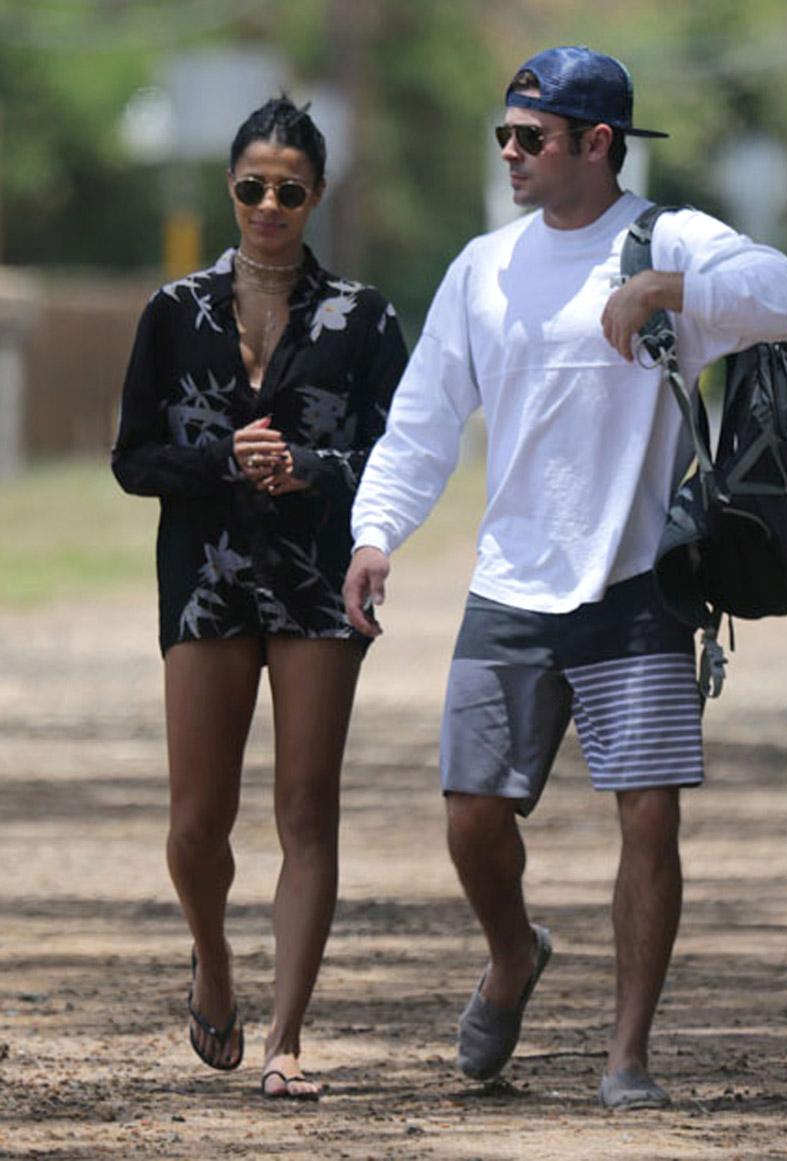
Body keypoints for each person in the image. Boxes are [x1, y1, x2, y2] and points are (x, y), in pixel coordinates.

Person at [343, 46, 787, 1108]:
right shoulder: (484, 267)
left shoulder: (667, 240)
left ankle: (625, 1055)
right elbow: (423, 421)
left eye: (531, 137)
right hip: (511, 583)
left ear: (596, 145)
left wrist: (669, 287)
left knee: (646, 816)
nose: (510, 153)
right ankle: (512, 956)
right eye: (503, 136)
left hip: (638, 580)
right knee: (470, 813)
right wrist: (376, 531)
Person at [112, 96, 407, 1100]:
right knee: (198, 820)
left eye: (288, 189)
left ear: (316, 194)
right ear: (230, 189)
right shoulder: (172, 311)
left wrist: (313, 467)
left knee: (304, 810)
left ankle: (285, 1036)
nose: (269, 204)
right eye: (252, 187)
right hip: (203, 575)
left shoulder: (362, 318)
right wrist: (219, 459)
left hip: (319, 578)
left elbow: (398, 456)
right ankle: (215, 960)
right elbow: (131, 460)